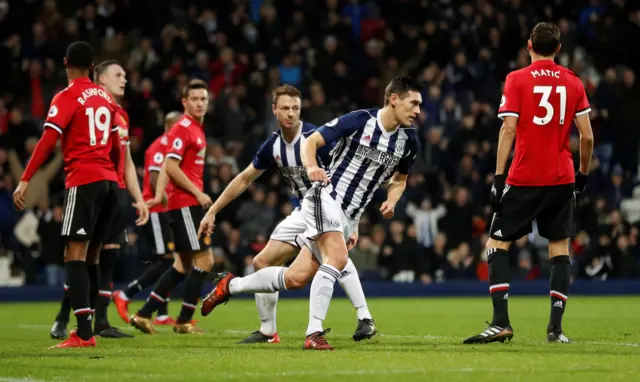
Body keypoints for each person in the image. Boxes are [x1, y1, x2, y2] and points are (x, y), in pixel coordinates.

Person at [200, 76, 422, 350]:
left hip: (348, 213)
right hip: (323, 198)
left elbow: (400, 179)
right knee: (337, 258)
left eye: (295, 108)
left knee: (296, 278)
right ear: (394, 99)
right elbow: (310, 143)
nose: (418, 110)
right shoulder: (359, 120)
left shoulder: (408, 140)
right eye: (414, 103)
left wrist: (391, 199)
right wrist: (312, 167)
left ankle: (230, 287)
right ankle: (317, 331)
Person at [462, 22, 593, 345]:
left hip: (524, 176)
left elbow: (508, 129)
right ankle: (555, 329)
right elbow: (587, 136)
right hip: (562, 177)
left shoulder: (516, 79)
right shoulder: (574, 82)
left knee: (496, 244)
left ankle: (501, 322)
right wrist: (583, 175)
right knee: (559, 248)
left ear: (529, 45)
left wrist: (497, 176)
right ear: (558, 49)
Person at [14, 41, 131, 348]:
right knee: (92, 256)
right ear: (93, 67)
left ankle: (83, 332)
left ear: (65, 62)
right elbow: (118, 146)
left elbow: (48, 139)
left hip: (83, 179)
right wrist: (113, 176)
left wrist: (25, 179)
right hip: (109, 182)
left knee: (73, 255)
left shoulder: (67, 96)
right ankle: (88, 324)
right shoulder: (106, 98)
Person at [49, 60, 149, 340]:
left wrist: (138, 198)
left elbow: (127, 161)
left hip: (114, 192)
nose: (125, 80)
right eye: (118, 74)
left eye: (126, 75)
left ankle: (100, 320)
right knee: (83, 255)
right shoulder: (90, 106)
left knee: (107, 255)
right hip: (91, 187)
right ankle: (65, 316)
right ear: (100, 80)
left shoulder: (122, 115)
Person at [129, 79, 214, 334]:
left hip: (181, 202)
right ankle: (184, 320)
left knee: (183, 264)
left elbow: (167, 163)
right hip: (187, 203)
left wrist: (158, 195)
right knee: (205, 260)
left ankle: (144, 315)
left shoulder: (196, 128)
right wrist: (198, 193)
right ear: (185, 102)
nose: (200, 103)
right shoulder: (184, 128)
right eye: (195, 99)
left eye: (204, 99)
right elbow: (172, 165)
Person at [112, 111, 182, 326]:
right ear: (169, 125)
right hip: (157, 209)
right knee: (167, 259)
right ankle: (125, 294)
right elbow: (153, 180)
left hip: (163, 211)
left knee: (167, 259)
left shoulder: (171, 147)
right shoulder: (160, 147)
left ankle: (161, 314)